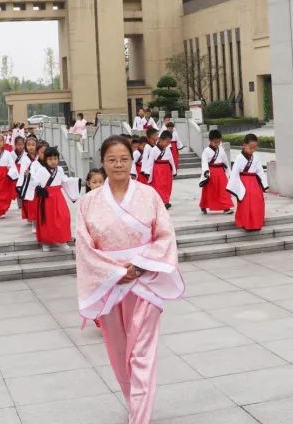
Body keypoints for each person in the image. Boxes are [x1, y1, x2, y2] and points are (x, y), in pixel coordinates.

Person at [75, 135, 185, 424]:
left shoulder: (149, 195)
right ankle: (134, 404)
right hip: (110, 283)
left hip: (144, 282)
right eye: (112, 159)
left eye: (124, 159)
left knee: (142, 352)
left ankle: (140, 417)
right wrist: (116, 272)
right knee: (119, 352)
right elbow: (85, 248)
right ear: (102, 162)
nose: (118, 164)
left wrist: (139, 266)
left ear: (132, 161)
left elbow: (165, 235)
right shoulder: (88, 202)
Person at [28, 146, 81, 252]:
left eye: (55, 159)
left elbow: (65, 181)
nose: (53, 161)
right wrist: (38, 188)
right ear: (45, 159)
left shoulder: (60, 169)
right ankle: (46, 242)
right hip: (46, 198)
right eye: (50, 159)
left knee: (64, 217)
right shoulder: (41, 170)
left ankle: (62, 240)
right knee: (47, 220)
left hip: (58, 197)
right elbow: (34, 181)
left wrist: (76, 181)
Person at [227, 133, 268, 231]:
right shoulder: (239, 158)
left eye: (254, 148)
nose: (253, 150)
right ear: (244, 145)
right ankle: (246, 223)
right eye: (251, 148)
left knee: (257, 203)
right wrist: (234, 186)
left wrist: (264, 185)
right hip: (243, 183)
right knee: (245, 203)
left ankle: (256, 223)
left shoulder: (256, 158)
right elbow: (234, 173)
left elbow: (260, 172)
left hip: (254, 183)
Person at [199, 129, 234, 215]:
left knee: (224, 189)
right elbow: (204, 163)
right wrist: (206, 172)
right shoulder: (206, 151)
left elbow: (226, 162)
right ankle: (204, 205)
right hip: (211, 172)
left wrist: (229, 173)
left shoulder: (221, 149)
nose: (217, 144)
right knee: (209, 191)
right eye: (215, 142)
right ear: (210, 140)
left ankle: (226, 207)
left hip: (221, 172)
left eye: (218, 142)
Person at [144, 130, 177, 209]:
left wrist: (174, 171)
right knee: (159, 186)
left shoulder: (168, 149)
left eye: (169, 142)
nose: (168, 144)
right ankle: (161, 201)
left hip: (167, 169)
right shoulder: (154, 149)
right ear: (161, 139)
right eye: (167, 142)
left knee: (167, 186)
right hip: (158, 170)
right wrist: (148, 172)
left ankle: (166, 201)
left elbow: (171, 160)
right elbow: (150, 161)